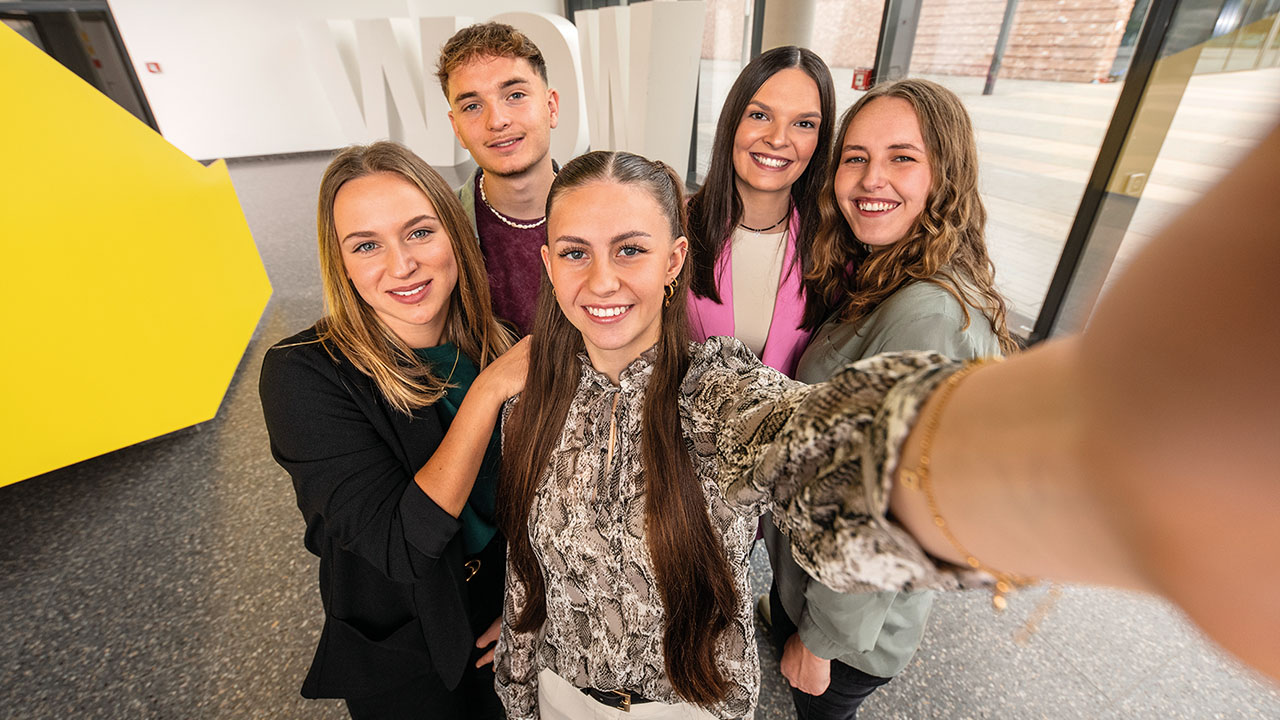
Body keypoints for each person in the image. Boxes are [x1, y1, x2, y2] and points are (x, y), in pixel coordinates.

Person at [493, 135, 1280, 719]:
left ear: (673, 263)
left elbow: (818, 442)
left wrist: (1071, 451)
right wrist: (521, 690)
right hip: (560, 695)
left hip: (685, 706)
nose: (601, 281)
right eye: (575, 252)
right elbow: (530, 568)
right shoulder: (529, 401)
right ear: (551, 263)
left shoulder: (711, 391)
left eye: (629, 249)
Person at [763, 78, 1019, 719]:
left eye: (902, 157)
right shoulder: (893, 270)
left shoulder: (925, 313)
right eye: (856, 156)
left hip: (851, 636)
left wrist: (819, 643)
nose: (871, 179)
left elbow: (882, 511)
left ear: (946, 172)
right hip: (821, 591)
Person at [258, 141, 529, 719]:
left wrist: (532, 600)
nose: (401, 264)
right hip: (412, 646)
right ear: (342, 262)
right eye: (366, 245)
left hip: (514, 612)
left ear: (454, 234)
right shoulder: (302, 374)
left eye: (419, 232)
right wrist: (485, 394)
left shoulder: (496, 341)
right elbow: (401, 545)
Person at [686, 45, 836, 378]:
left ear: (820, 141)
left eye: (804, 124)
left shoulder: (833, 246)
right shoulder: (673, 225)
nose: (778, 139)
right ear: (733, 121)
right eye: (760, 115)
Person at [436, 21, 560, 335]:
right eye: (473, 106)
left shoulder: (606, 214)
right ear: (457, 129)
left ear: (551, 107)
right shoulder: (438, 229)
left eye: (515, 95)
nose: (498, 120)